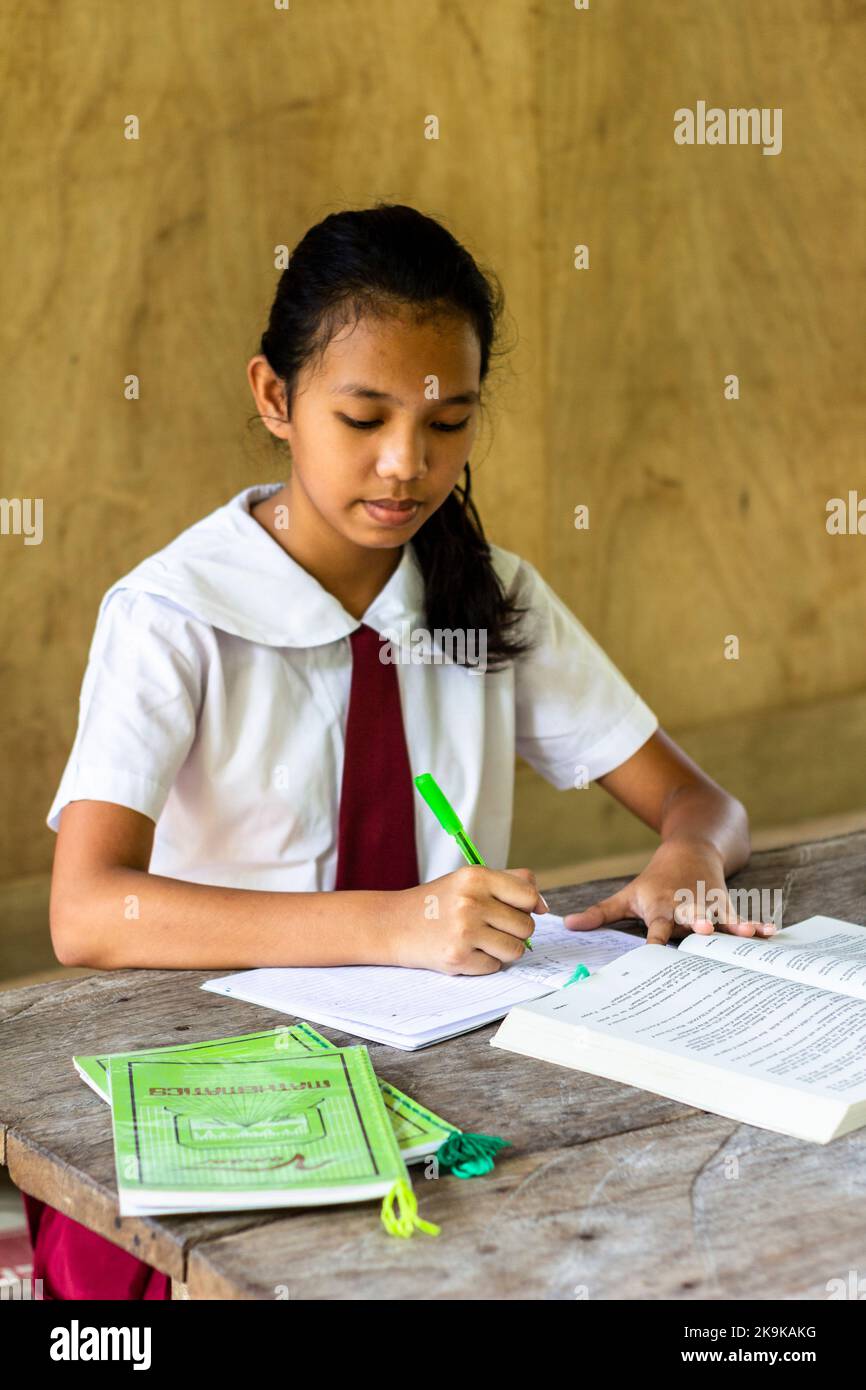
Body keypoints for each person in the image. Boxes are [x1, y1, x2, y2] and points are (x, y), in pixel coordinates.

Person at [27, 202, 776, 1299]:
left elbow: (702, 805)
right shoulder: (173, 615)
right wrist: (393, 923)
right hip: (226, 1071)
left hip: (454, 1068)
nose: (405, 465)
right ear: (274, 398)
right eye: (363, 417)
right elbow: (88, 912)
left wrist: (688, 859)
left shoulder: (490, 594)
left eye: (447, 423)